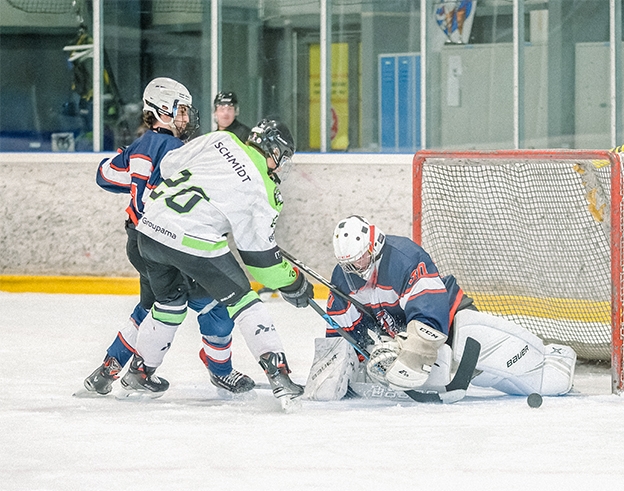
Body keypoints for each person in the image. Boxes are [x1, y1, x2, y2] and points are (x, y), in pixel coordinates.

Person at [84, 77, 256, 397]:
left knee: (151, 306)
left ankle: (108, 368)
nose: (187, 118)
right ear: (163, 110)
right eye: (181, 111)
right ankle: (221, 370)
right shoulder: (176, 150)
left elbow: (105, 175)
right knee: (211, 301)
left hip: (137, 241)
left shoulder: (140, 145)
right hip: (167, 240)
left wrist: (132, 157)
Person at [126, 118, 312, 403]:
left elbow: (169, 165)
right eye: (282, 158)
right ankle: (279, 374)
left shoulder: (221, 140)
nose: (281, 165)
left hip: (149, 229)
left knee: (170, 303)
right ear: (273, 151)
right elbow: (262, 263)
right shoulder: (264, 189)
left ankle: (140, 373)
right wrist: (294, 282)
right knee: (242, 300)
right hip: (191, 239)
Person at [293, 215, 577, 401]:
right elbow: (342, 329)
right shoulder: (343, 276)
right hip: (403, 341)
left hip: (452, 322)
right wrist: (348, 363)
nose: (357, 267)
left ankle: (553, 359)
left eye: (361, 259)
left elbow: (429, 312)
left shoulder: (402, 256)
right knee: (456, 375)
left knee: (519, 372)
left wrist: (412, 353)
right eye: (350, 263)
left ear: (373, 245)